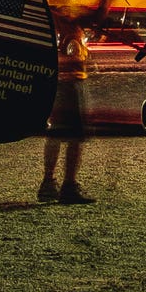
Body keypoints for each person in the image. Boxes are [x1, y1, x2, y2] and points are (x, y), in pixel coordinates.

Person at [39, 21, 94, 205]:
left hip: (58, 82)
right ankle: (68, 185)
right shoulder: (69, 23)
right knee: (75, 137)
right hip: (71, 82)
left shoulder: (52, 19)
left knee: (55, 133)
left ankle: (48, 182)